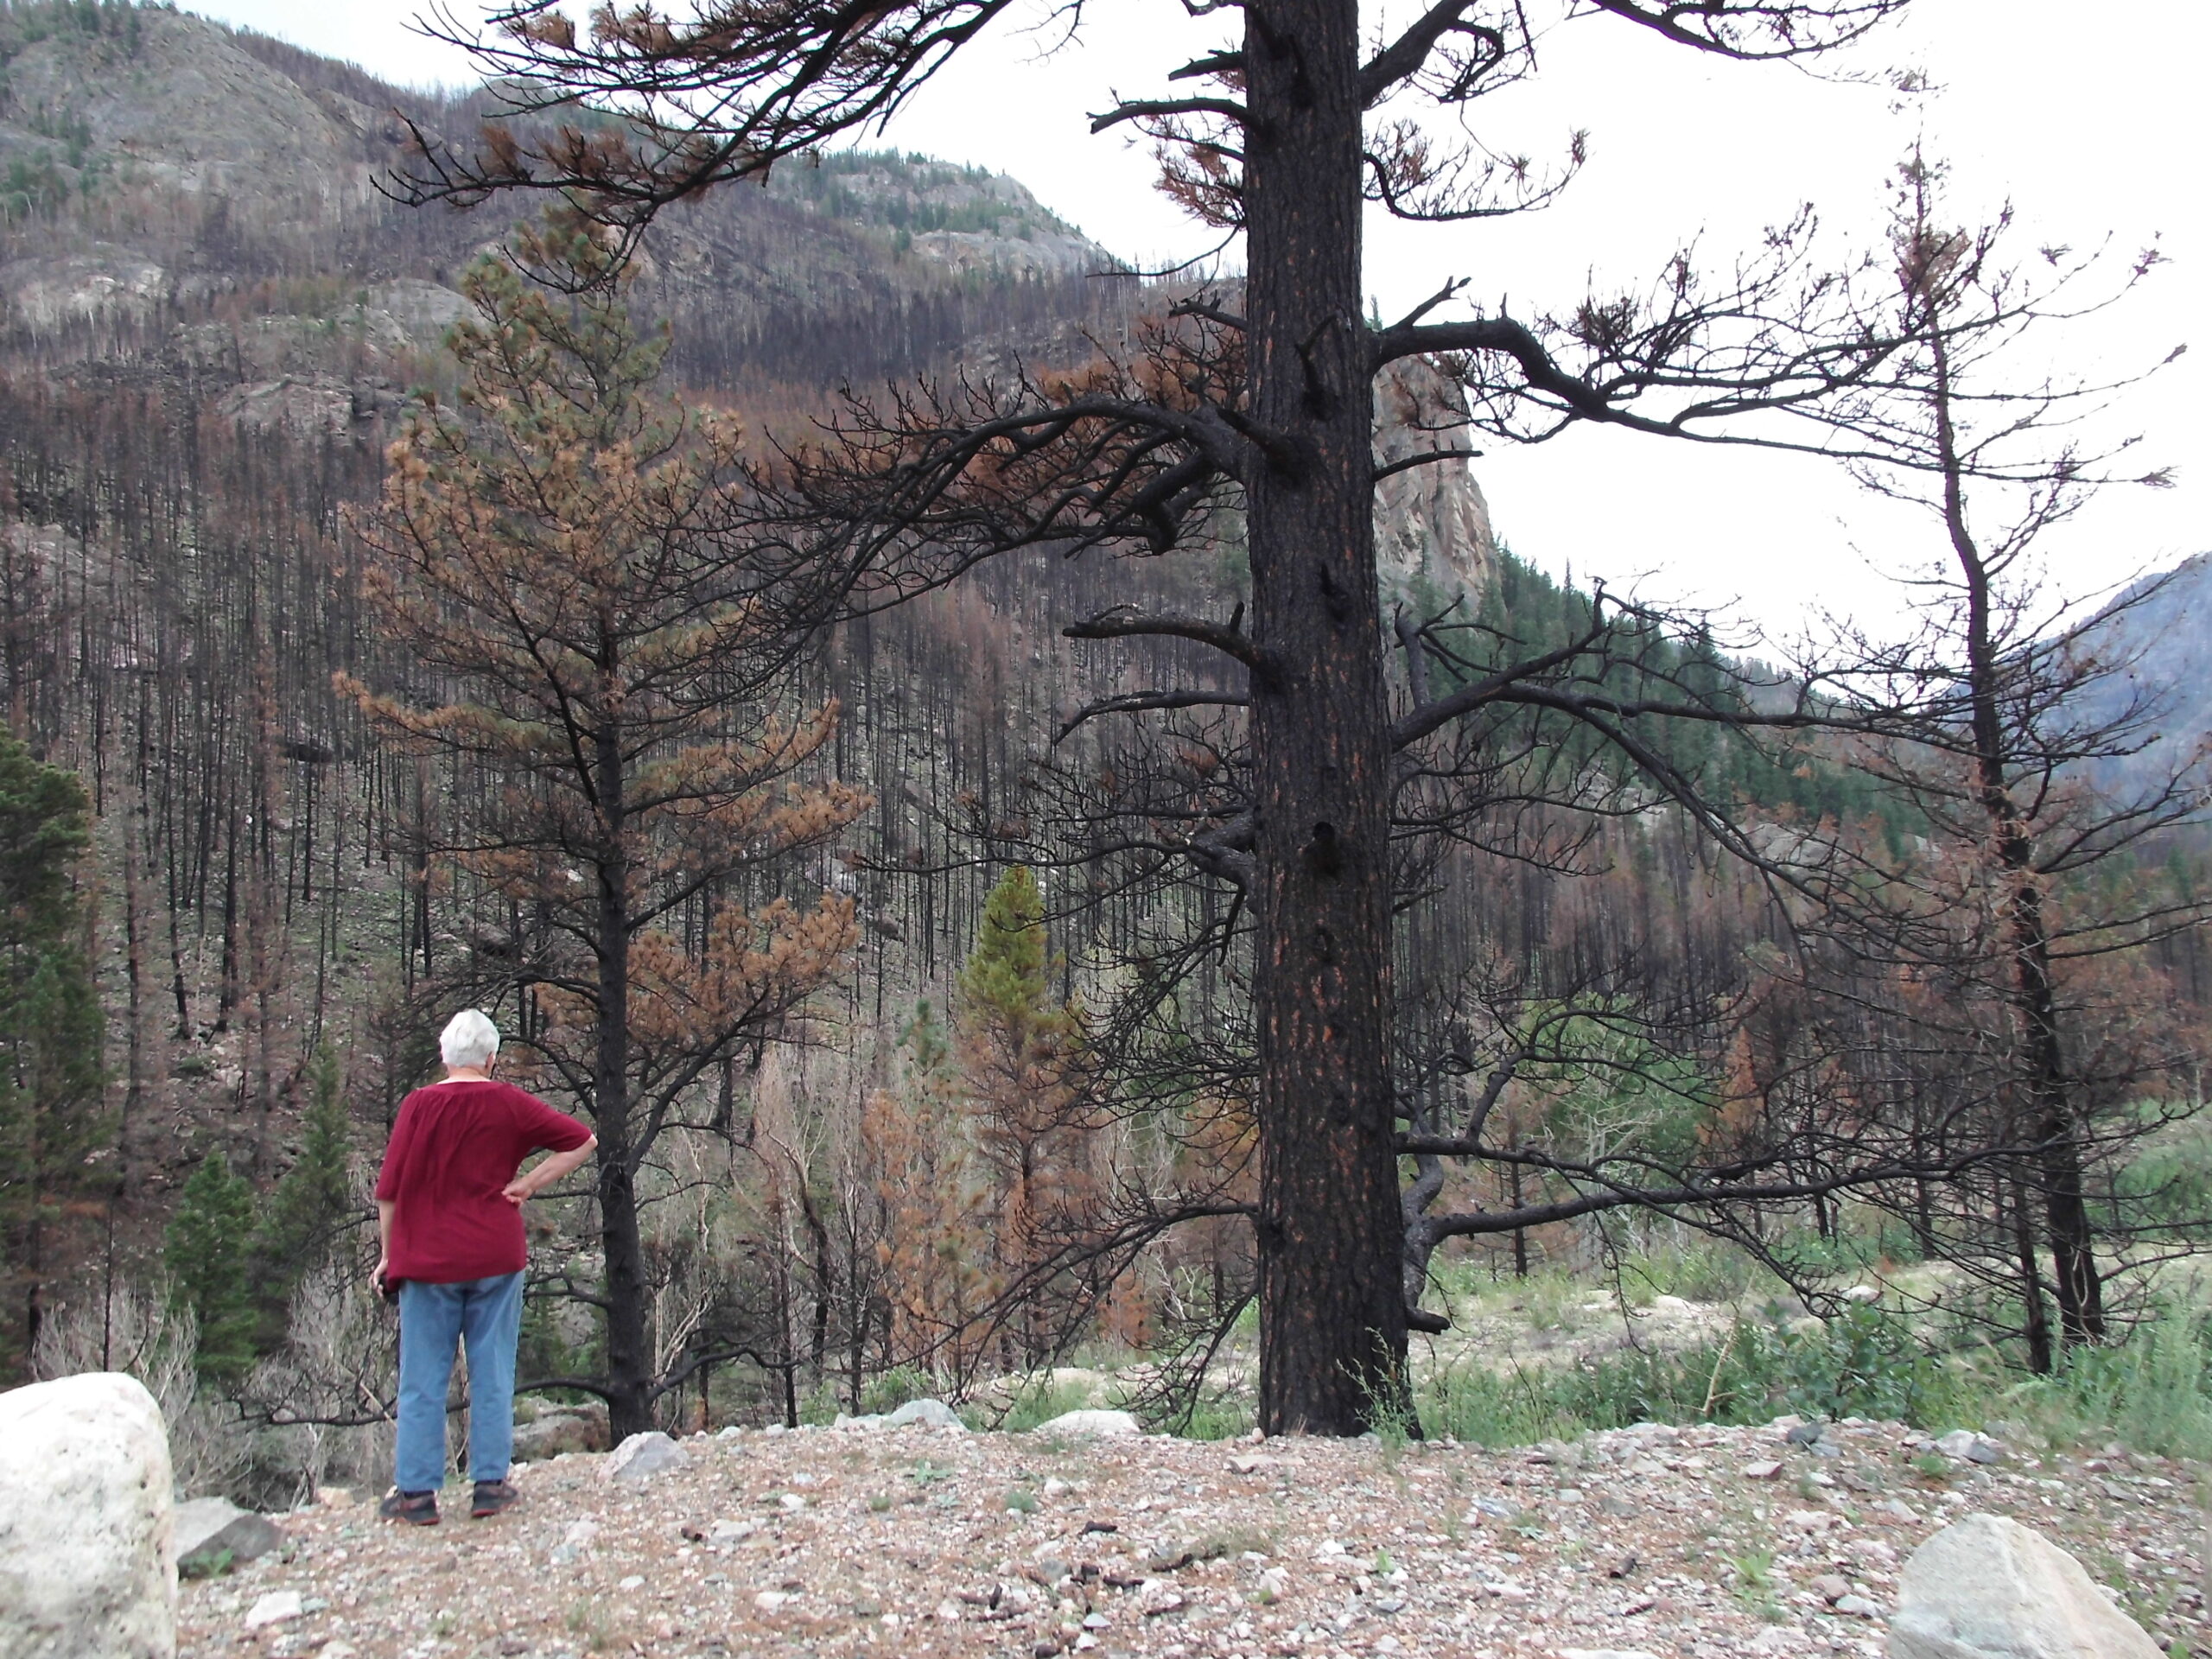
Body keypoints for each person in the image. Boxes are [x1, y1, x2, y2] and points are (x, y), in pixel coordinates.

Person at [372, 1008, 596, 1524]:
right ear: (491, 1059)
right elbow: (583, 1141)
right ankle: (491, 1485)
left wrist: (390, 1256)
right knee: (492, 1370)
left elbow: (389, 1193)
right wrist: (528, 1184)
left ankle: (416, 1495)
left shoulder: (419, 1106)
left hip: (427, 1259)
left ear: (445, 1056)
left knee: (423, 1377)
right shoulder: (508, 1103)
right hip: (495, 1254)